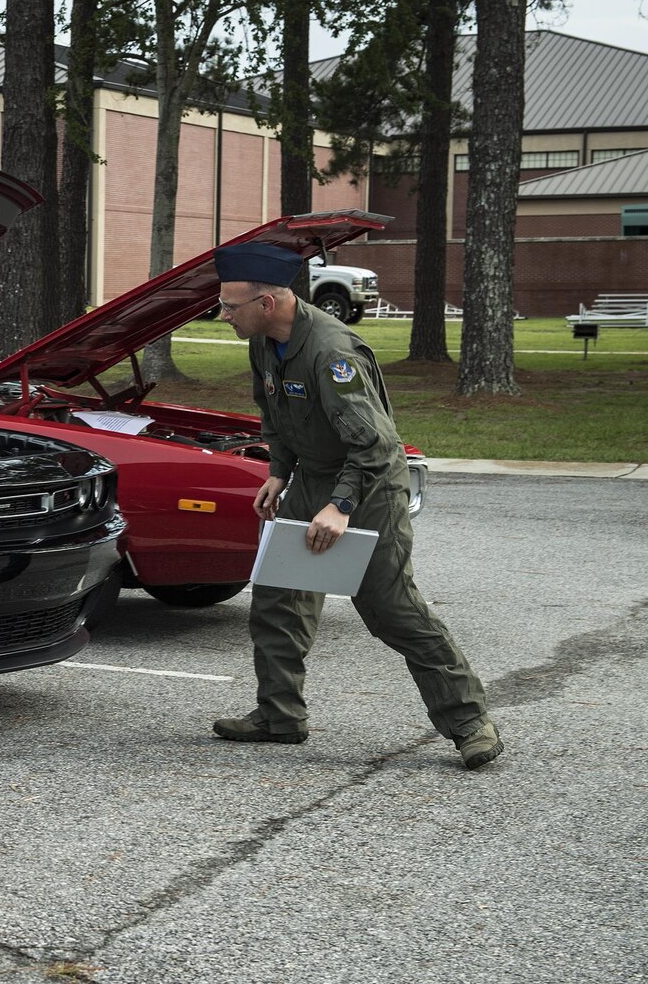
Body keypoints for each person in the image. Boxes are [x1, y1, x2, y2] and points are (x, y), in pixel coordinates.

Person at [208, 241, 502, 770]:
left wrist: (340, 506)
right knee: (278, 599)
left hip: (366, 487)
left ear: (267, 302)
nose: (223, 313)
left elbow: (374, 444)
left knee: (393, 612)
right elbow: (273, 414)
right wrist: (278, 472)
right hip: (313, 480)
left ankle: (470, 723)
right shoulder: (263, 341)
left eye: (231, 305)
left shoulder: (331, 352)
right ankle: (279, 717)